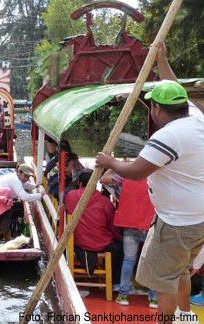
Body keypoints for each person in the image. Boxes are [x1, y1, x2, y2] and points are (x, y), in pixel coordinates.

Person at [95, 42, 204, 323]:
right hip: (197, 217)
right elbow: (173, 84)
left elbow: (135, 172)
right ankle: (185, 316)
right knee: (180, 269)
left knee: (162, 277)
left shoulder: (168, 136)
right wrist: (161, 60)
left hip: (177, 222)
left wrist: (109, 162)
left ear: (155, 109)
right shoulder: (195, 116)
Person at [100, 171, 158, 308]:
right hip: (150, 224)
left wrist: (110, 166)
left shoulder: (126, 175)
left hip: (130, 224)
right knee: (152, 261)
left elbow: (103, 179)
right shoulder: (158, 176)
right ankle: (154, 297)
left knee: (128, 260)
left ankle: (123, 295)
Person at [65, 171, 123, 286]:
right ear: (95, 184)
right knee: (121, 248)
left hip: (78, 242)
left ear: (80, 183)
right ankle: (115, 282)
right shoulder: (105, 203)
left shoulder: (70, 196)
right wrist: (119, 237)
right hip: (102, 243)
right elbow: (113, 227)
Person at [0, 164, 44, 239]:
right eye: (25, 176)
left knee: (17, 206)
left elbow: (25, 184)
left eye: (28, 177)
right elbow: (24, 197)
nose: (27, 178)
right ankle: (7, 230)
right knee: (17, 208)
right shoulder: (15, 180)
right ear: (19, 172)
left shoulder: (14, 177)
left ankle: (12, 229)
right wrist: (40, 195)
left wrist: (35, 186)